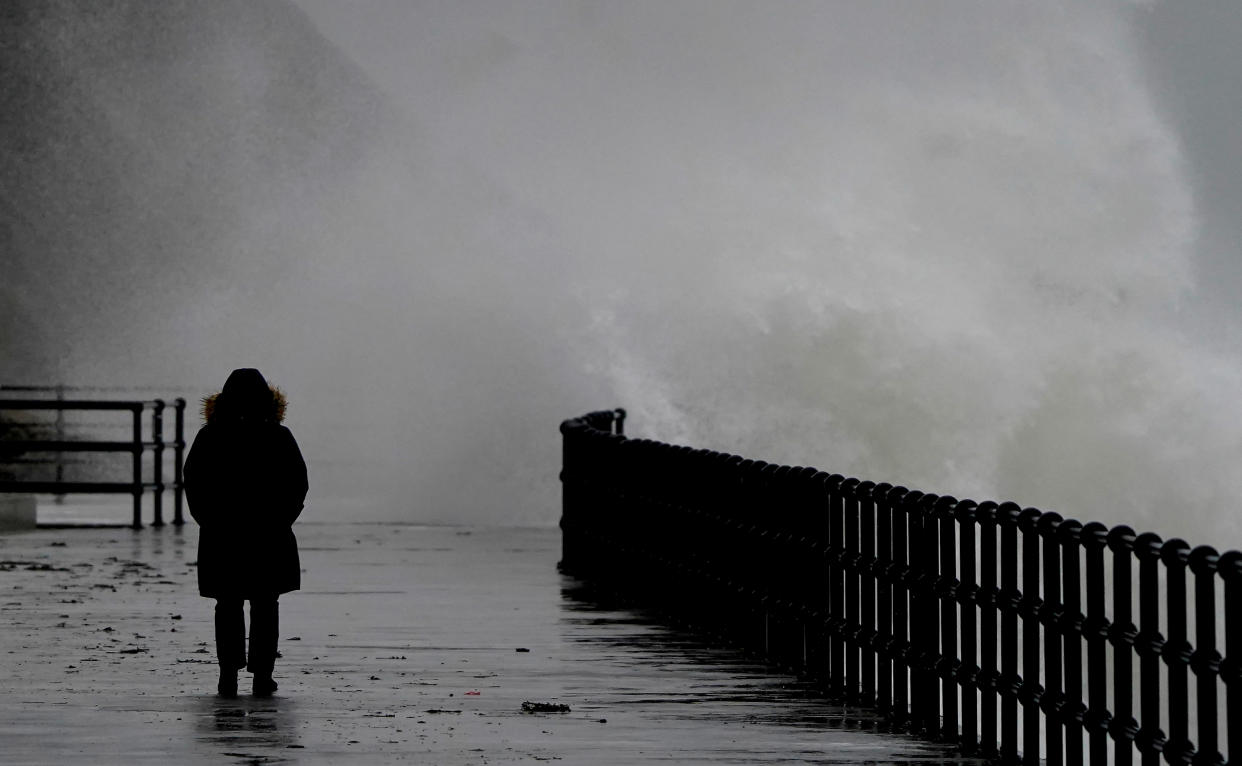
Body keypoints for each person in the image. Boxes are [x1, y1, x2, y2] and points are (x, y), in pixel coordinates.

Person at [184, 368, 308, 697]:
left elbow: (194, 484)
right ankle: (262, 675)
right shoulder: (279, 437)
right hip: (269, 536)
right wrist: (281, 520)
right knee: (266, 605)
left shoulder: (209, 438)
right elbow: (297, 485)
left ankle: (228, 674)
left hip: (222, 536)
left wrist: (209, 521)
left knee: (227, 605)